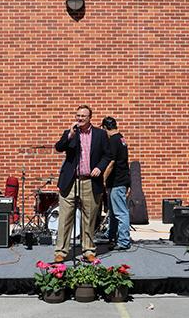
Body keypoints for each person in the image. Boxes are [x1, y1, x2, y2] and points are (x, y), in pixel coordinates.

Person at [54, 105, 111, 263]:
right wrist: (70, 135)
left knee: (89, 217)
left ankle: (88, 250)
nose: (79, 118)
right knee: (65, 217)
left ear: (89, 117)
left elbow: (108, 155)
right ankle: (61, 251)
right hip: (70, 181)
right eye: (77, 115)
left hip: (90, 181)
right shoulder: (70, 133)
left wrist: (100, 167)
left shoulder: (100, 134)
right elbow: (59, 147)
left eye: (83, 116)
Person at [101, 116, 131, 250]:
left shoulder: (113, 140)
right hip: (121, 179)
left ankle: (124, 241)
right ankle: (110, 234)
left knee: (120, 212)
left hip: (117, 181)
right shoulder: (121, 139)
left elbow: (112, 162)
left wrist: (103, 178)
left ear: (104, 128)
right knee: (113, 212)